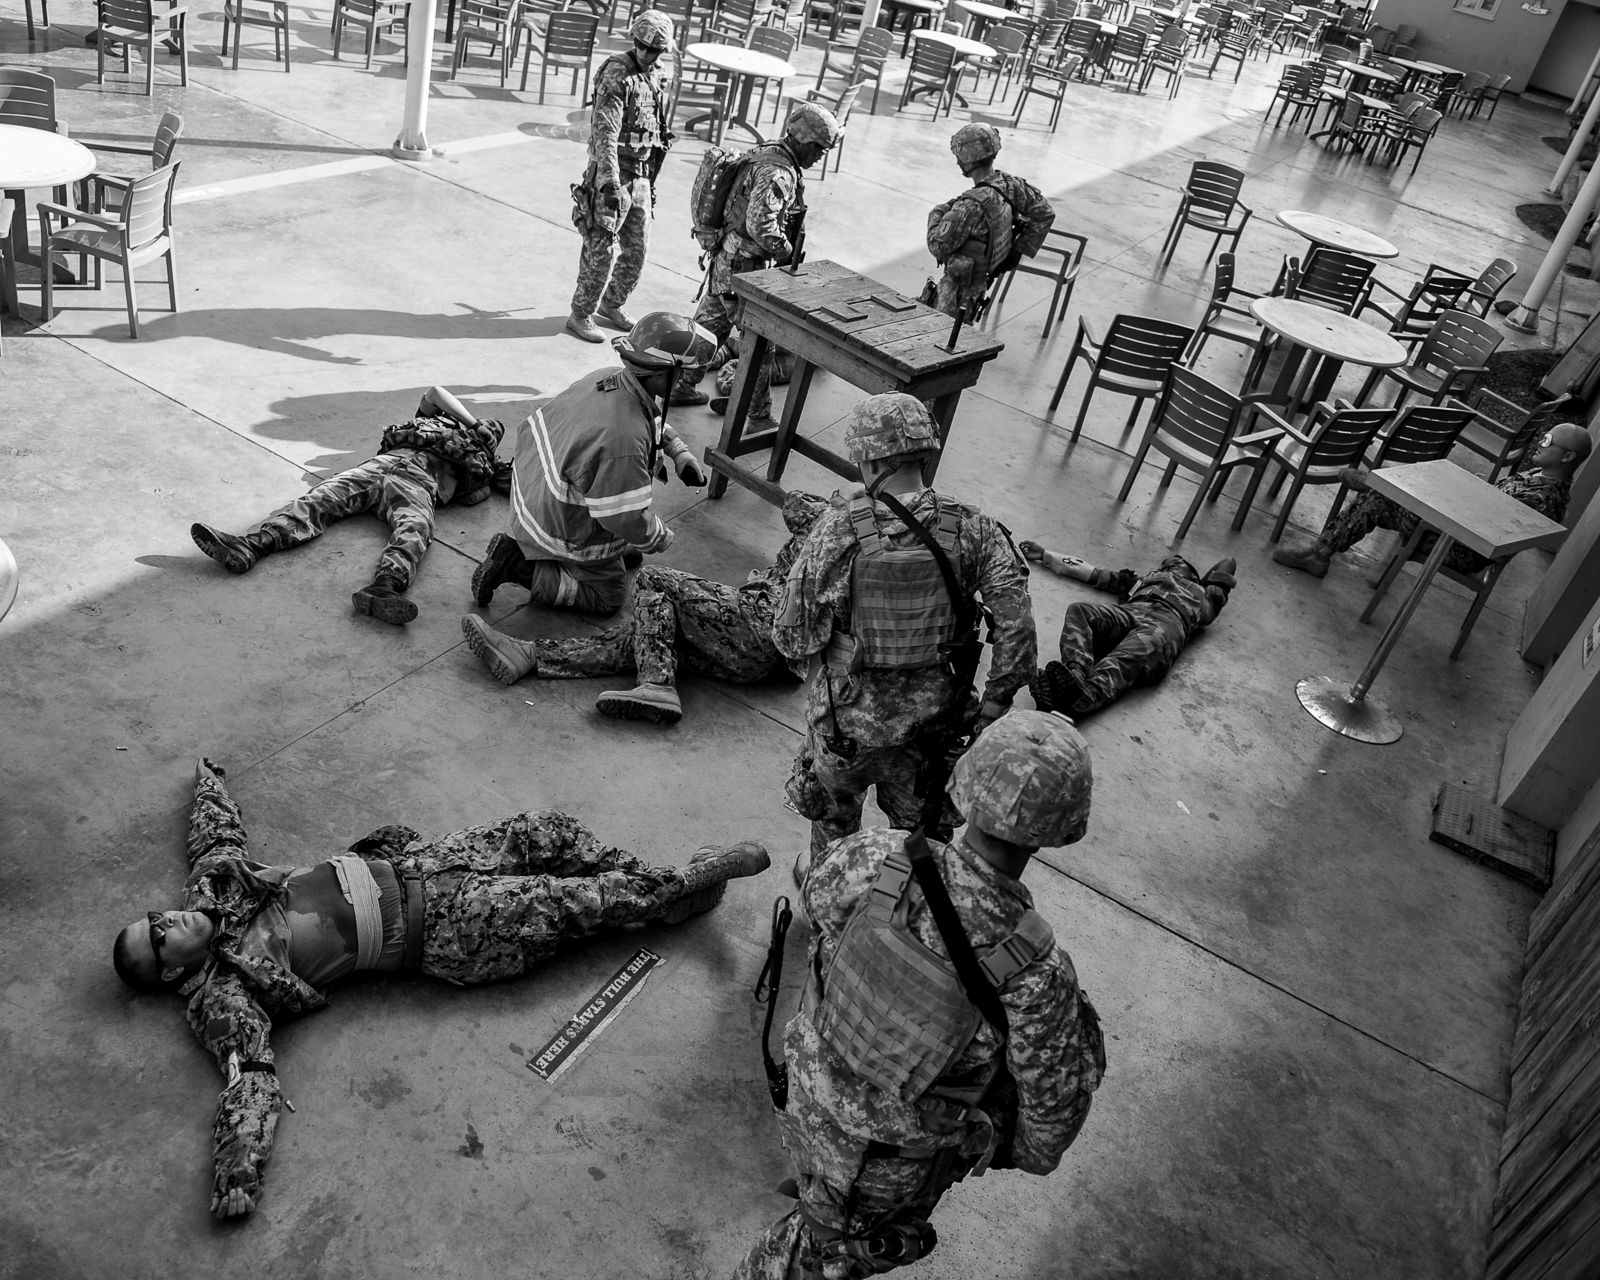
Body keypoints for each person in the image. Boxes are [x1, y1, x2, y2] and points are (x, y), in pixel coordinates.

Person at [114, 758, 770, 1221]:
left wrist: (208, 779)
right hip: (445, 929)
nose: (166, 922)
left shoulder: (211, 887)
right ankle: (680, 886)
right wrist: (237, 1170)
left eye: (153, 920)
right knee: (565, 900)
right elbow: (248, 1078)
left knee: (549, 831)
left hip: (421, 865)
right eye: (161, 941)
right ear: (175, 972)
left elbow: (216, 829)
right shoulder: (224, 996)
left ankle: (665, 895)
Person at [732, 711, 1106, 1280]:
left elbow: (814, 906)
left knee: (820, 1208)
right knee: (818, 1255)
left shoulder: (877, 857)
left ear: (963, 786)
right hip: (885, 1165)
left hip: (803, 1093)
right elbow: (1044, 1140)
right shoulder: (1036, 975)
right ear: (1067, 828)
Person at [774, 394, 1037, 874]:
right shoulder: (974, 527)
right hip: (935, 730)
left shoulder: (837, 530)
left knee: (834, 826)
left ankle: (830, 889)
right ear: (924, 452)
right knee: (920, 841)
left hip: (846, 724)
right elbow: (1017, 628)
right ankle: (903, 907)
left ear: (869, 458)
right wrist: (994, 706)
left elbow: (792, 639)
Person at [461, 491, 828, 724]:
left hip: (761, 621)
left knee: (652, 581)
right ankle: (529, 655)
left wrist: (842, 510)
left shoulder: (841, 533)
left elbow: (798, 504)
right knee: (648, 636)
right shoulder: (857, 542)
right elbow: (797, 506)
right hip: (761, 659)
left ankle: (657, 686)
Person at [189, 387, 508, 626]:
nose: (488, 433)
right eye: (487, 427)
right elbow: (435, 392)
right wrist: (471, 423)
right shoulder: (436, 422)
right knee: (320, 497)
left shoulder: (484, 467)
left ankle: (385, 587)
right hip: (383, 465)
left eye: (493, 433)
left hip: (419, 481)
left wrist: (487, 467)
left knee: (416, 529)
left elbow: (476, 497)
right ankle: (250, 546)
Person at [470, 311, 717, 618]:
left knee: (627, 549)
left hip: (531, 490)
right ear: (662, 372)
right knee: (610, 596)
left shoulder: (612, 377)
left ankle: (597, 557)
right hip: (550, 523)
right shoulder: (624, 440)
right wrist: (659, 535)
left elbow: (649, 416)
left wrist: (679, 453)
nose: (685, 379)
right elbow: (622, 517)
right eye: (682, 372)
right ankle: (518, 565)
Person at [679, 103, 842, 417]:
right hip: (745, 267)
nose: (819, 156)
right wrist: (786, 252)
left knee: (709, 327)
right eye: (819, 149)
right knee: (761, 343)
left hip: (727, 259)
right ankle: (757, 414)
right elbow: (761, 226)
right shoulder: (777, 171)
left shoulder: (768, 151)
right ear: (804, 140)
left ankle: (682, 384)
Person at [1272, 423, 1593, 578]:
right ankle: (1322, 549)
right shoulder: (1539, 477)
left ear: (1566, 455)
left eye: (1548, 440)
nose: (1541, 441)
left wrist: (1461, 498)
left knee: (1381, 498)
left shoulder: (1546, 498)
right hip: (1459, 528)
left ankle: (1325, 547)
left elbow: (1490, 526)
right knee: (1390, 494)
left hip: (1461, 547)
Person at [1025, 545, 1237, 718]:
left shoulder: (1206, 598)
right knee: (1080, 610)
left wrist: (1202, 583)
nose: (1171, 566)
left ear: (1192, 575)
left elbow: (1228, 562)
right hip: (1131, 612)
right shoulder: (1142, 581)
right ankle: (1075, 674)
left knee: (1125, 658)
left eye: (1178, 565)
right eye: (1168, 564)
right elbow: (1092, 573)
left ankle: (1086, 695)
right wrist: (1045, 555)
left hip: (1165, 625)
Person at [567, 11, 676, 345]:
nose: (645, 54)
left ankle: (612, 303)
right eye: (641, 46)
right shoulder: (617, 73)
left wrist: (650, 181)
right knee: (601, 249)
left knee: (637, 249)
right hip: (613, 176)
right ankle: (581, 313)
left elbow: (656, 130)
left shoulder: (658, 74)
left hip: (641, 176)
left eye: (653, 50)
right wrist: (610, 182)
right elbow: (605, 133)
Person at [925, 123, 1055, 322]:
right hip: (978, 289)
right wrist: (1017, 251)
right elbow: (1044, 213)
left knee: (938, 341)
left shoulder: (969, 207)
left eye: (959, 157)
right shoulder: (1011, 185)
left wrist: (938, 212)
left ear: (968, 159)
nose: (958, 161)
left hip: (954, 295)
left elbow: (938, 247)